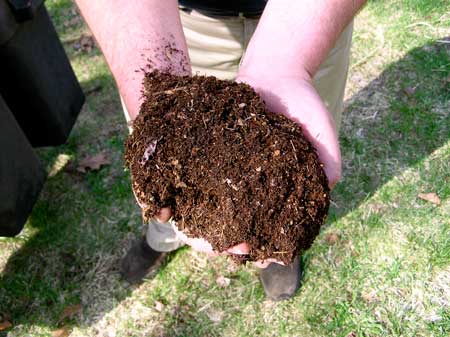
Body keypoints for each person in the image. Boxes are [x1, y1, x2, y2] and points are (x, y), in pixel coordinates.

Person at [74, 0, 366, 301]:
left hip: (310, 20)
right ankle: (162, 237)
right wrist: (161, 96)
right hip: (173, 23)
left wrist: (288, 64)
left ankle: (280, 248)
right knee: (161, 166)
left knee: (303, 142)